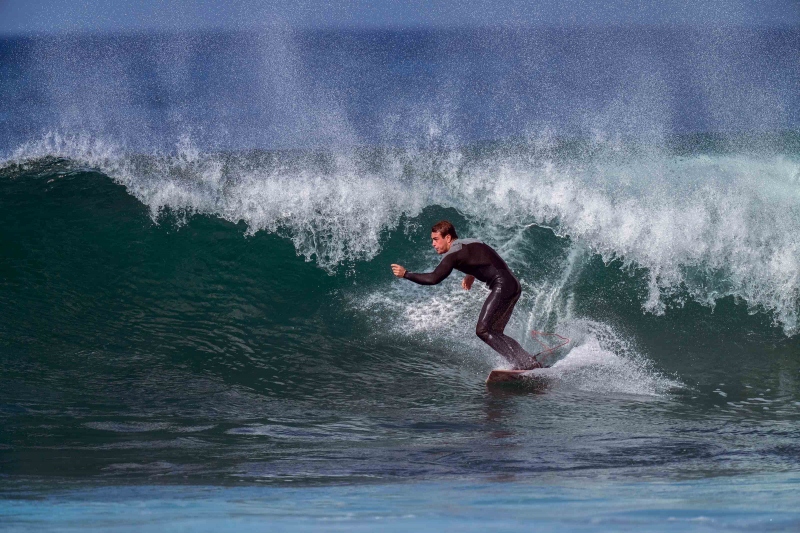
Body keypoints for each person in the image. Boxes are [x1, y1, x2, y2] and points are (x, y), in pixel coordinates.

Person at [391, 220, 541, 370]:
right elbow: (484, 256)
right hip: (513, 285)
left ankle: (523, 364)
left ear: (448, 238)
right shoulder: (469, 242)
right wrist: (471, 273)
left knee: (483, 330)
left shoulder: (452, 254)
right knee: (495, 332)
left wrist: (406, 274)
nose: (433, 244)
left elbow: (433, 278)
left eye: (436, 239)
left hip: (503, 286)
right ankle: (528, 361)